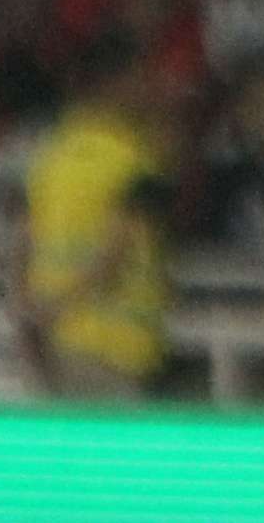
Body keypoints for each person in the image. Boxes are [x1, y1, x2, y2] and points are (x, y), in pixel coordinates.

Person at [17, 40, 180, 399]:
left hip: (57, 340)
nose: (152, 88)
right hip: (119, 347)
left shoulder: (52, 153)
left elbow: (23, 243)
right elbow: (115, 256)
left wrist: (31, 317)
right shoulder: (137, 159)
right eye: (143, 78)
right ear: (117, 84)